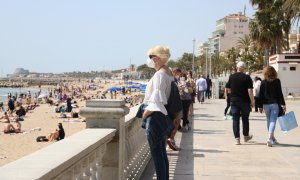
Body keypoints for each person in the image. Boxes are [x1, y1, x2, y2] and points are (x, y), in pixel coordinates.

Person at [142, 45, 173, 180]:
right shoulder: (168, 72)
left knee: (157, 154)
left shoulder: (160, 75)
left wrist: (145, 114)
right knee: (161, 153)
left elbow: (157, 101)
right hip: (162, 117)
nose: (149, 59)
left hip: (155, 117)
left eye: (151, 57)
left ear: (158, 58)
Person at [226, 61, 254, 145]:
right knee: (245, 119)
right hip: (245, 101)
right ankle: (246, 136)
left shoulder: (231, 77)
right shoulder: (247, 77)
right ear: (244, 68)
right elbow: (250, 90)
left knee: (235, 119)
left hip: (234, 101)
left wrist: (231, 95)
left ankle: (237, 139)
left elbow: (228, 88)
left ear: (237, 67)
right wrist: (252, 101)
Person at [258, 66, 286, 147]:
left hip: (266, 105)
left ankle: (272, 138)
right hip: (274, 104)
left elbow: (261, 95)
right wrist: (283, 104)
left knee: (269, 121)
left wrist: (260, 106)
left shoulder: (263, 82)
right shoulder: (277, 81)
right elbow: (280, 93)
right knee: (273, 121)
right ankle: (270, 138)